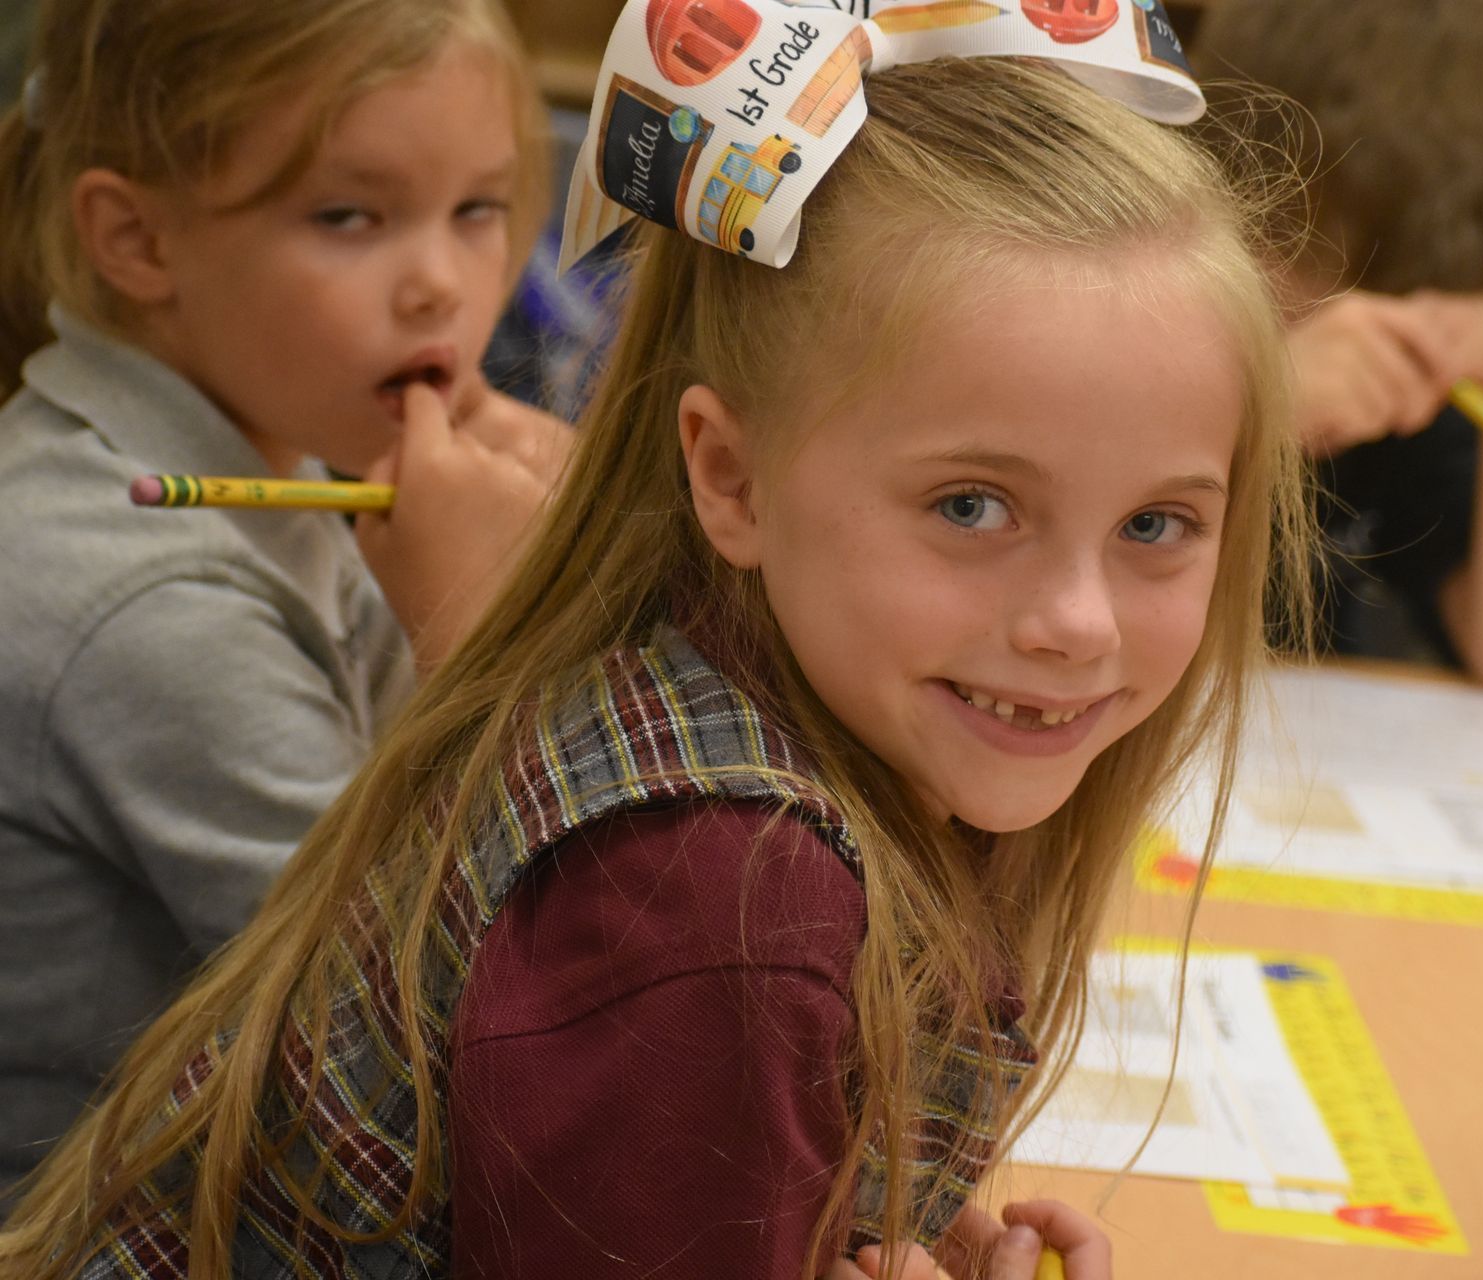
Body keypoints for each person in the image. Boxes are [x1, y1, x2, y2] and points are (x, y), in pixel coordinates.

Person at [0, 33, 1318, 1280]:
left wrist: (830, 1206)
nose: (1076, 622)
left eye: (1157, 523)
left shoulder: (743, 721)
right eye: (971, 506)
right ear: (729, 477)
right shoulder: (716, 902)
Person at [0, 0, 568, 1192]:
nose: (440, 287)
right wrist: (493, 619)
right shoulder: (146, 599)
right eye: (348, 216)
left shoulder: (293, 452)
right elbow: (445, 1046)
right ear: (137, 241)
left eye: (477, 208)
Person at [1192, 0, 1483, 698]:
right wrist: (1255, 412)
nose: (1364, 336)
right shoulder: (1124, 319)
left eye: (1407, 309)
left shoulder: (1410, 368)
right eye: (1323, 299)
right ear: (1226, 201)